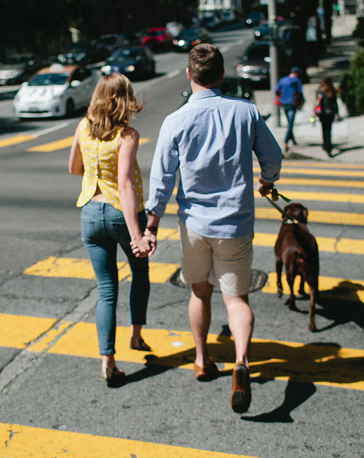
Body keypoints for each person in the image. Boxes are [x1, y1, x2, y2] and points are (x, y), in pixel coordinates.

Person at [141, 44, 282, 413]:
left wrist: (151, 223)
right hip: (235, 223)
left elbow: (161, 180)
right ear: (222, 75)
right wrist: (268, 180)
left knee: (200, 292)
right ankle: (241, 363)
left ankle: (202, 360)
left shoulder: (175, 121)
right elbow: (273, 157)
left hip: (194, 227)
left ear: (189, 76)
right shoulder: (246, 112)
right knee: (236, 298)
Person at [68, 73, 156, 387]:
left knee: (106, 290)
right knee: (140, 273)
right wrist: (137, 235)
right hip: (122, 214)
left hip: (91, 212)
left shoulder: (82, 127)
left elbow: (74, 169)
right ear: (125, 99)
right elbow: (124, 186)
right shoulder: (127, 135)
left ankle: (108, 359)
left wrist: (94, 166)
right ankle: (136, 335)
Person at [274, 67, 304, 152]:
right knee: (290, 123)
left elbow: (276, 90)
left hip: (283, 103)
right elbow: (300, 92)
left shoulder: (282, 80)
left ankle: (293, 141)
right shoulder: (297, 81)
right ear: (296, 73)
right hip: (292, 103)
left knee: (289, 122)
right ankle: (285, 142)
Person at [315, 76, 340, 156]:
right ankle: (328, 147)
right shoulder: (332, 90)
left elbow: (317, 102)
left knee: (323, 129)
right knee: (328, 130)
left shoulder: (320, 91)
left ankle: (325, 145)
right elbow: (334, 103)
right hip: (330, 113)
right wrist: (336, 113)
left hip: (322, 113)